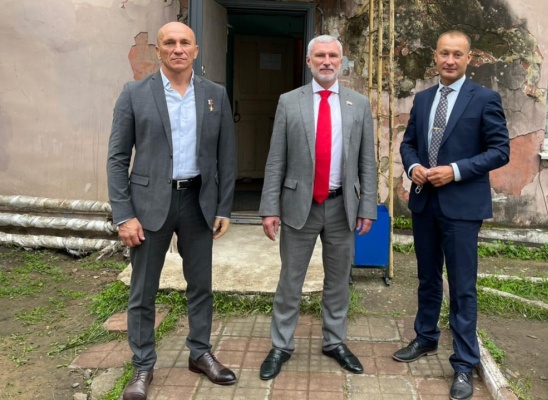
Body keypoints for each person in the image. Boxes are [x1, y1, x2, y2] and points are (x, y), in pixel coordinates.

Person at [107, 21, 237, 400]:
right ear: (159, 50)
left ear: (195, 50)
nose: (177, 49)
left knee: (201, 285)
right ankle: (143, 365)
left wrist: (224, 207)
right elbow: (117, 158)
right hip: (148, 206)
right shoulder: (134, 94)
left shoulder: (215, 94)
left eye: (184, 43)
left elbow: (227, 156)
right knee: (143, 290)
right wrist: (124, 214)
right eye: (169, 43)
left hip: (198, 202)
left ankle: (200, 353)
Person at [397, 30, 510, 400]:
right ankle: (425, 337)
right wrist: (413, 166)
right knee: (427, 277)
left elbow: (500, 151)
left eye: (457, 54)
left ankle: (463, 363)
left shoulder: (485, 99)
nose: (449, 60)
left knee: (462, 286)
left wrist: (456, 171)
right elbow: (409, 143)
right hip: (424, 202)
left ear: (469, 58)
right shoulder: (423, 98)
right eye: (444, 53)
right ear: (435, 55)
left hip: (462, 206)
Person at [258, 35, 378, 380]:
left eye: (333, 56)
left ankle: (334, 341)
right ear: (309, 61)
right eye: (320, 56)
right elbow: (275, 160)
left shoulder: (359, 104)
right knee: (290, 280)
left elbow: (367, 162)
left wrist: (367, 206)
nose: (327, 61)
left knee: (338, 281)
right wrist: (269, 208)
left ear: (341, 62)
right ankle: (281, 346)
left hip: (342, 207)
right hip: (300, 206)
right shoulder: (289, 102)